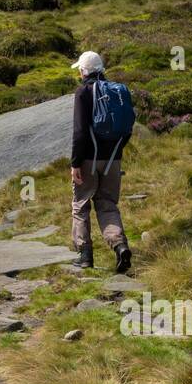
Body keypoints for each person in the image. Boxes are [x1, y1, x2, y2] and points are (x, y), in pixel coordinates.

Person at [69, 51, 132, 272]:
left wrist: (75, 163)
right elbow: (128, 128)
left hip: (88, 159)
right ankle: (120, 246)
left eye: (80, 69)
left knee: (81, 206)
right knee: (107, 204)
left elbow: (79, 132)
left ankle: (85, 256)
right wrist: (115, 154)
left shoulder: (83, 92)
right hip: (113, 159)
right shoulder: (119, 92)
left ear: (83, 71)